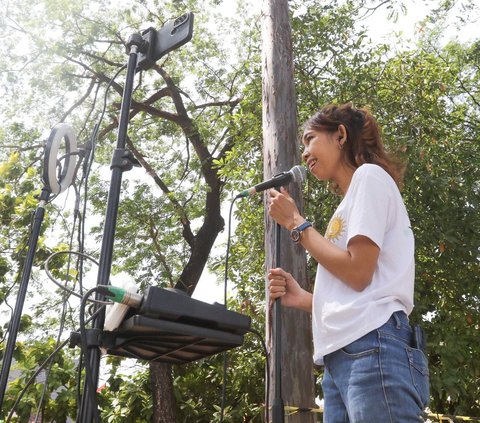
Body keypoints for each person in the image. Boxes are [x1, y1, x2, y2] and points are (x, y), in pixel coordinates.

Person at [267, 103, 430, 423]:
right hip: (343, 360)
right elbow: (358, 288)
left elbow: (357, 272)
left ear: (340, 135)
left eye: (310, 139)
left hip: (373, 347)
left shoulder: (370, 177)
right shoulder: (351, 199)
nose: (304, 153)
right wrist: (304, 299)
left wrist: (296, 224)